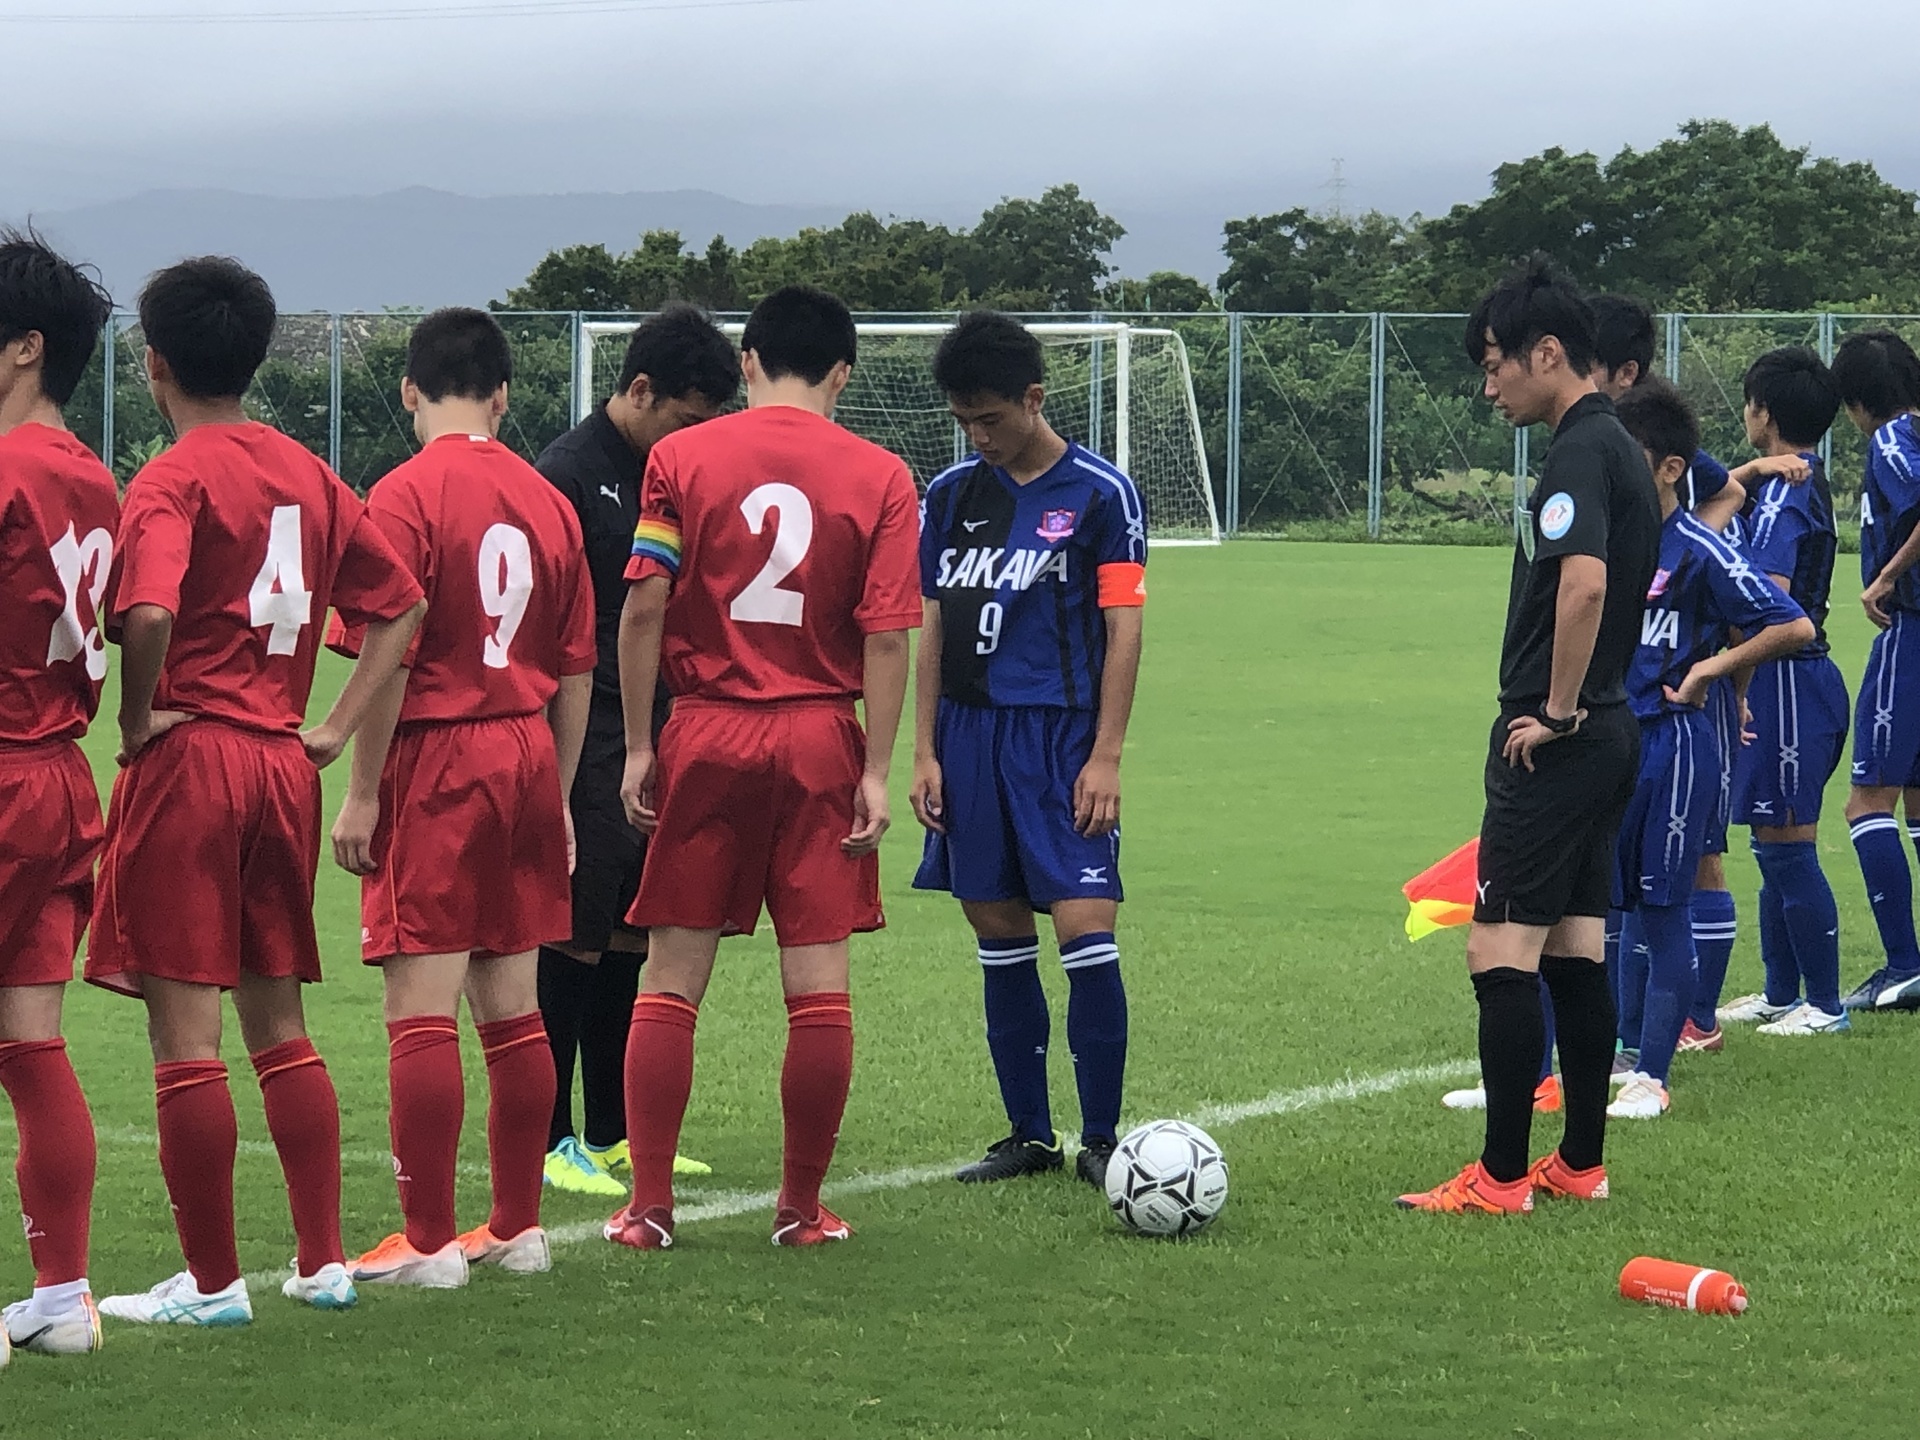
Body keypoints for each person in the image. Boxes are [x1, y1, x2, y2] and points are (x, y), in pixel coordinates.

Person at [88, 257, 425, 1326]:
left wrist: (139, 720)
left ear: (153, 365)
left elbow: (146, 614)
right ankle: (322, 1263)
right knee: (280, 1023)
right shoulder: (312, 475)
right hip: (284, 763)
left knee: (188, 1037)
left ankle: (214, 1283)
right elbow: (401, 606)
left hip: (197, 759)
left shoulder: (171, 477)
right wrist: (331, 723)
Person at [604, 285, 920, 1251]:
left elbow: (643, 607)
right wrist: (877, 768)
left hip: (708, 729)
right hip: (822, 733)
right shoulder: (881, 475)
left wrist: (644, 742)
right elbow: (889, 635)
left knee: (670, 975)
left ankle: (647, 1207)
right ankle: (800, 1209)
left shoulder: (678, 457)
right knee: (817, 982)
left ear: (745, 364)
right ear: (843, 375)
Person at [325, 309, 596, 1288]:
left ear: (407, 391)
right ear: (503, 394)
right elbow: (576, 670)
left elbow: (386, 660)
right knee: (514, 1005)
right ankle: (518, 1228)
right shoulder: (547, 499)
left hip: (438, 756)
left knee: (421, 1005)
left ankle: (430, 1241)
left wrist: (361, 795)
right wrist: (559, 797)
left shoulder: (398, 499)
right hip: (526, 751)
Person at [1397, 257, 1657, 1216]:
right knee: (1575, 950)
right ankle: (1578, 1163)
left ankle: (1501, 1177)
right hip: (1614, 730)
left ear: (1549, 353)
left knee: (1496, 951)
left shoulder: (1579, 451)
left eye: (1497, 360)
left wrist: (1551, 709)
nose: (1488, 381)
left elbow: (1583, 585)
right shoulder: (1622, 444)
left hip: (1564, 737)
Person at [908, 311, 1147, 1187]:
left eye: (991, 419)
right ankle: (1029, 1134)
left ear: (1034, 399)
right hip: (970, 738)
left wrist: (1107, 755)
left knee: (1087, 930)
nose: (979, 437)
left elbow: (1125, 629)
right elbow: (932, 623)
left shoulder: (1101, 494)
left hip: (1061, 738)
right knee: (998, 930)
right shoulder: (947, 496)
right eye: (965, 422)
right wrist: (925, 750)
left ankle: (1102, 1138)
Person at [532, 306, 735, 1197]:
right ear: (640, 391)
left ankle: (615, 1129)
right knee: (570, 930)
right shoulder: (569, 475)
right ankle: (551, 1135)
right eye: (688, 419)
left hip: (659, 721)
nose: (694, 438)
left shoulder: (677, 473)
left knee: (628, 929)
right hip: (588, 721)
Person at [1587, 294, 1808, 1059]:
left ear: (1622, 371)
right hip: (1614, 727)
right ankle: (1623, 1041)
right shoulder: (1606, 514)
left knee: (1681, 876)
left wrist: (1715, 656)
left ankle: (1686, 1028)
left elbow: (1725, 503)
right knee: (1614, 899)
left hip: (1679, 724)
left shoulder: (1677, 504)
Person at [0, 230, 117, 1359]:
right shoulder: (93, 475)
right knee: (31, 1043)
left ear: (25, 347)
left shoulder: (5, 470)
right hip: (59, 776)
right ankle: (59, 1296)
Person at [1717, 348, 1849, 1036]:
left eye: (1748, 403)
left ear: (1763, 412)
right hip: (1778, 679)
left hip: (1792, 681)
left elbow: (1770, 599)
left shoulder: (1790, 493)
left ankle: (1825, 1005)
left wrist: (1722, 665)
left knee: (1789, 841)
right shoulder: (1777, 482)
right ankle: (1779, 989)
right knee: (1771, 839)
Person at [1833, 330, 1920, 1011]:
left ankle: (1901, 965)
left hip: (1910, 632)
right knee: (1918, 803)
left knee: (1867, 801)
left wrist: (1883, 579)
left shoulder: (1891, 441)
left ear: (1859, 401)